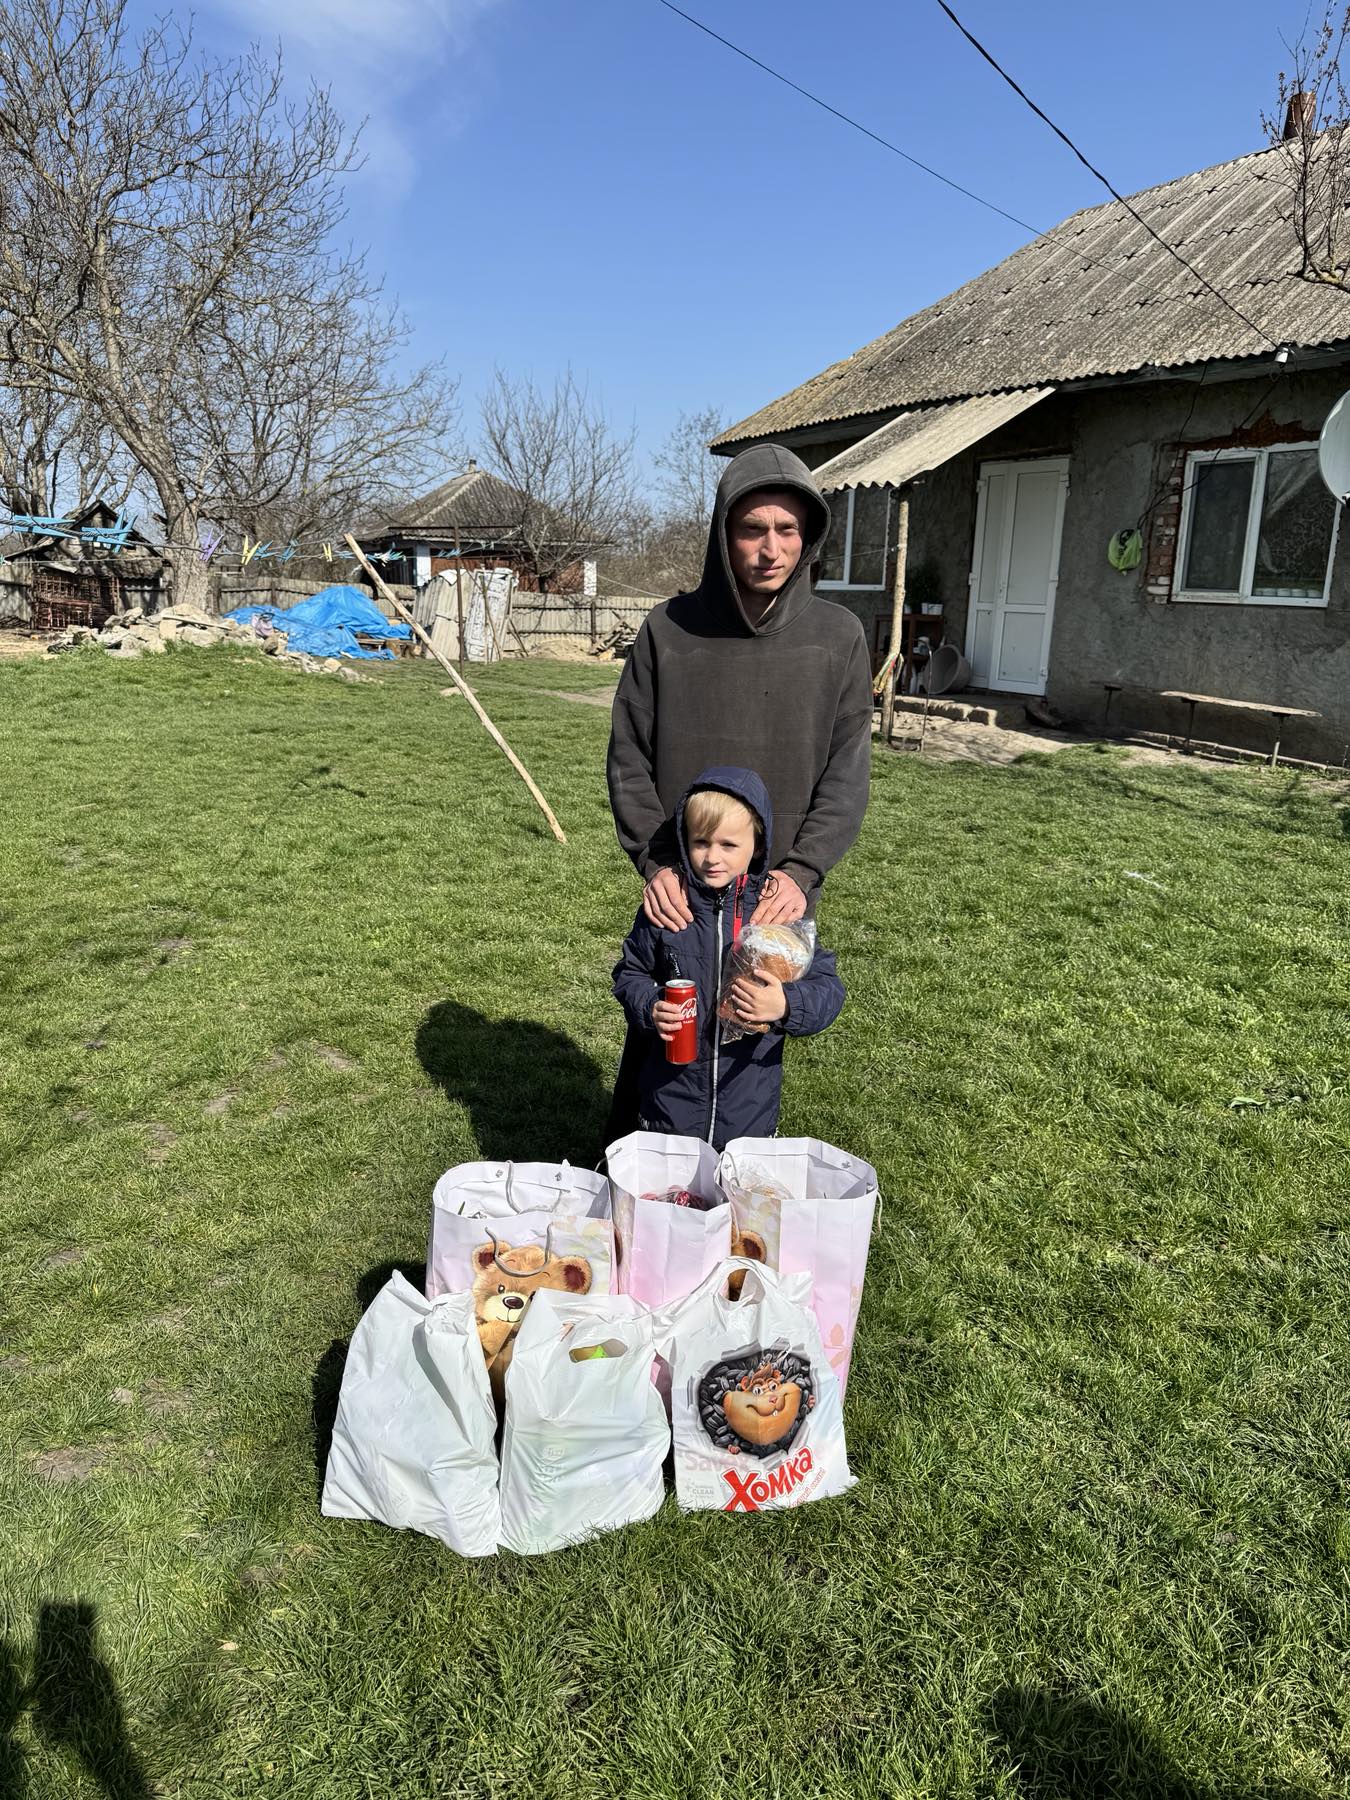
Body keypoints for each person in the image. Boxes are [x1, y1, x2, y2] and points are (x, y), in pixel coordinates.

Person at [604, 442, 873, 1144]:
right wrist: (656, 863)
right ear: (724, 533)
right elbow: (629, 756)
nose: (770, 549)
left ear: (809, 538)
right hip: (686, 875)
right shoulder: (669, 630)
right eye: (753, 529)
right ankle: (639, 1162)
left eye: (788, 530)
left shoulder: (838, 637)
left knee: (754, 1024)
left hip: (777, 887)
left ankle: (740, 1163)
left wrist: (802, 869)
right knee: (668, 1017)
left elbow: (847, 773)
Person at [611, 767, 844, 1150]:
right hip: (669, 1100)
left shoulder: (775, 914)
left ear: (758, 844)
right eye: (700, 842)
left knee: (735, 1184)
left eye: (729, 845)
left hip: (748, 1103)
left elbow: (828, 989)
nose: (712, 858)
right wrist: (650, 1006)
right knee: (672, 1182)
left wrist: (786, 1005)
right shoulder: (669, 908)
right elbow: (630, 973)